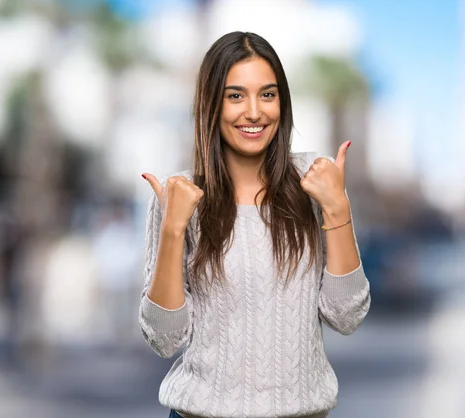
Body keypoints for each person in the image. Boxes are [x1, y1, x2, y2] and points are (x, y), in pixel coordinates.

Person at [139, 31, 370, 418]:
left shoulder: (313, 183)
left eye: (267, 94)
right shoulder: (180, 194)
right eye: (235, 96)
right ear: (211, 104)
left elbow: (346, 315)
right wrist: (173, 230)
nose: (254, 112)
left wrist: (336, 208)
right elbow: (164, 339)